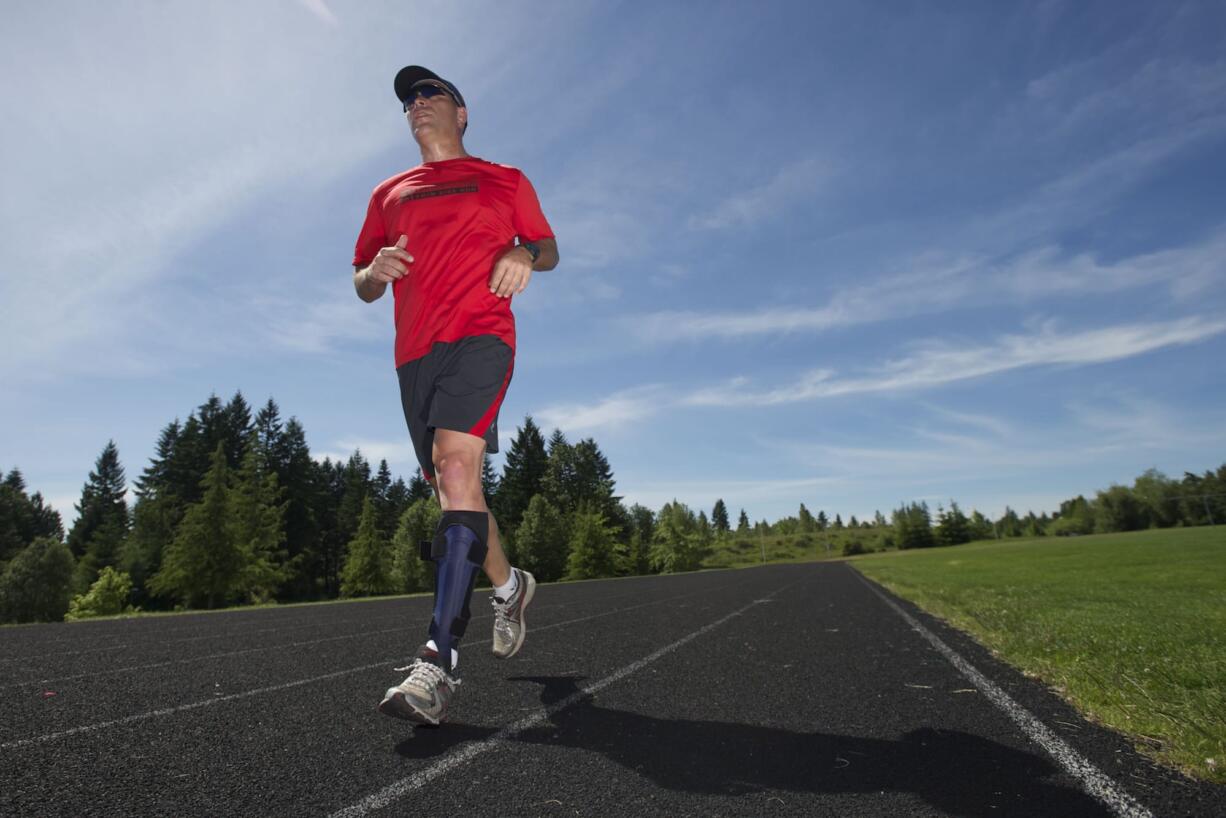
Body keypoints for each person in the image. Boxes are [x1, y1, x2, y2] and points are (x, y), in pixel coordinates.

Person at [351, 65, 559, 726]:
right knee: (455, 493)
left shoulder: (505, 178)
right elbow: (361, 279)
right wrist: (371, 272)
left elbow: (548, 247)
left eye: (429, 93)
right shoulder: (388, 192)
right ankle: (508, 585)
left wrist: (523, 253)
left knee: (456, 468)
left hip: (481, 336)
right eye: (409, 100)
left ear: (461, 113)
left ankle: (437, 660)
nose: (417, 104)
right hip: (413, 355)